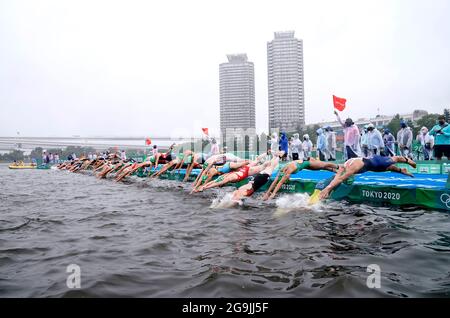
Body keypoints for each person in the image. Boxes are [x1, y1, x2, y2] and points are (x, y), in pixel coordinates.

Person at [318, 155, 416, 200]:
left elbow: (340, 179)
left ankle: (408, 160)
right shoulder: (342, 168)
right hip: (370, 166)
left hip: (376, 161)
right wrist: (329, 189)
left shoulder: (351, 169)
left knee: (395, 159)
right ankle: (401, 171)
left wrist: (327, 189)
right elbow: (337, 178)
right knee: (385, 169)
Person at [262, 158, 338, 201]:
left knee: (324, 165)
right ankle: (334, 170)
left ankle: (338, 166)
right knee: (320, 168)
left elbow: (280, 183)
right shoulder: (281, 171)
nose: (288, 179)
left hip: (307, 163)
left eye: (287, 178)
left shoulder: (289, 170)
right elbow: (274, 182)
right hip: (301, 164)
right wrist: (267, 193)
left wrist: (273, 194)